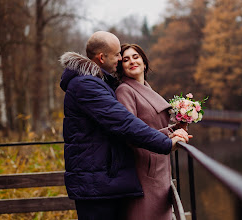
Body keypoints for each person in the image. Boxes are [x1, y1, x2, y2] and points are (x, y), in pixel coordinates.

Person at [59, 31, 189, 220]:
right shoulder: (86, 85)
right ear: (102, 58)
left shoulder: (97, 83)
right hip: (95, 183)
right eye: (118, 54)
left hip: (101, 179)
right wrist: (166, 143)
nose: (120, 59)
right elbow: (124, 123)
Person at [115, 43, 183, 220]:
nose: (131, 62)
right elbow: (130, 132)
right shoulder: (124, 90)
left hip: (160, 164)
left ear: (144, 63)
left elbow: (155, 123)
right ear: (121, 67)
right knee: (145, 213)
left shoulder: (147, 88)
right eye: (126, 59)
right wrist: (168, 136)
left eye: (136, 57)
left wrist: (180, 126)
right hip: (143, 167)